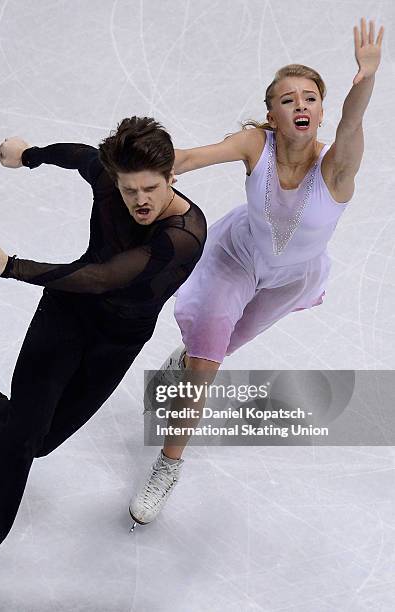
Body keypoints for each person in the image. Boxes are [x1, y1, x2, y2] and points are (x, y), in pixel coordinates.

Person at [0, 116, 207, 586]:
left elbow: (104, 277)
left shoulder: (184, 234)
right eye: (129, 190)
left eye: (150, 189)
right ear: (116, 180)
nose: (140, 201)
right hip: (64, 316)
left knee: (42, 440)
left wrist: (12, 267)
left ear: (171, 179)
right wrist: (29, 155)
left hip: (114, 341)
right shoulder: (107, 176)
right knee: (22, 436)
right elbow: (81, 155)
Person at [129, 17, 384, 527]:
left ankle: (192, 353)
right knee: (207, 361)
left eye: (310, 97)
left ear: (322, 109)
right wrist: (155, 168)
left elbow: (352, 125)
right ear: (272, 113)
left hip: (291, 279)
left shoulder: (335, 168)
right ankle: (169, 462)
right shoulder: (255, 145)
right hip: (237, 257)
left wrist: (366, 78)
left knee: (218, 346)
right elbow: (197, 155)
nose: (300, 105)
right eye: (288, 99)